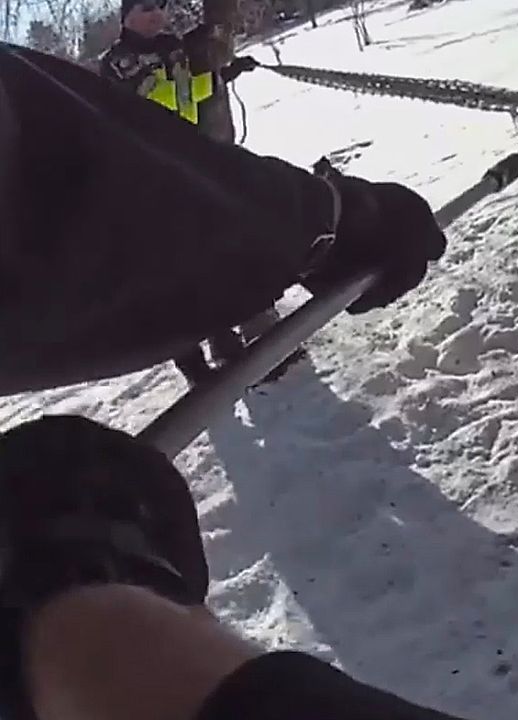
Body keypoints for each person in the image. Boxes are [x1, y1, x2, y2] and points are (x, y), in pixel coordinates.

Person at [2, 41, 471, 720]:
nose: (156, 13)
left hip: (192, 179)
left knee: (195, 294)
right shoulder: (122, 62)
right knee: (185, 299)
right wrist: (326, 222)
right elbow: (56, 178)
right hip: (181, 195)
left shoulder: (182, 49)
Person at [99, 0, 292, 387]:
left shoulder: (173, 47)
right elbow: (148, 104)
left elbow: (189, 92)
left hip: (192, 158)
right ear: (127, 17)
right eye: (146, 8)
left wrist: (226, 73)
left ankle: (250, 334)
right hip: (152, 173)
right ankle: (203, 357)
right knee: (180, 265)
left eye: (160, 6)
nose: (156, 14)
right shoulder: (119, 61)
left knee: (225, 243)